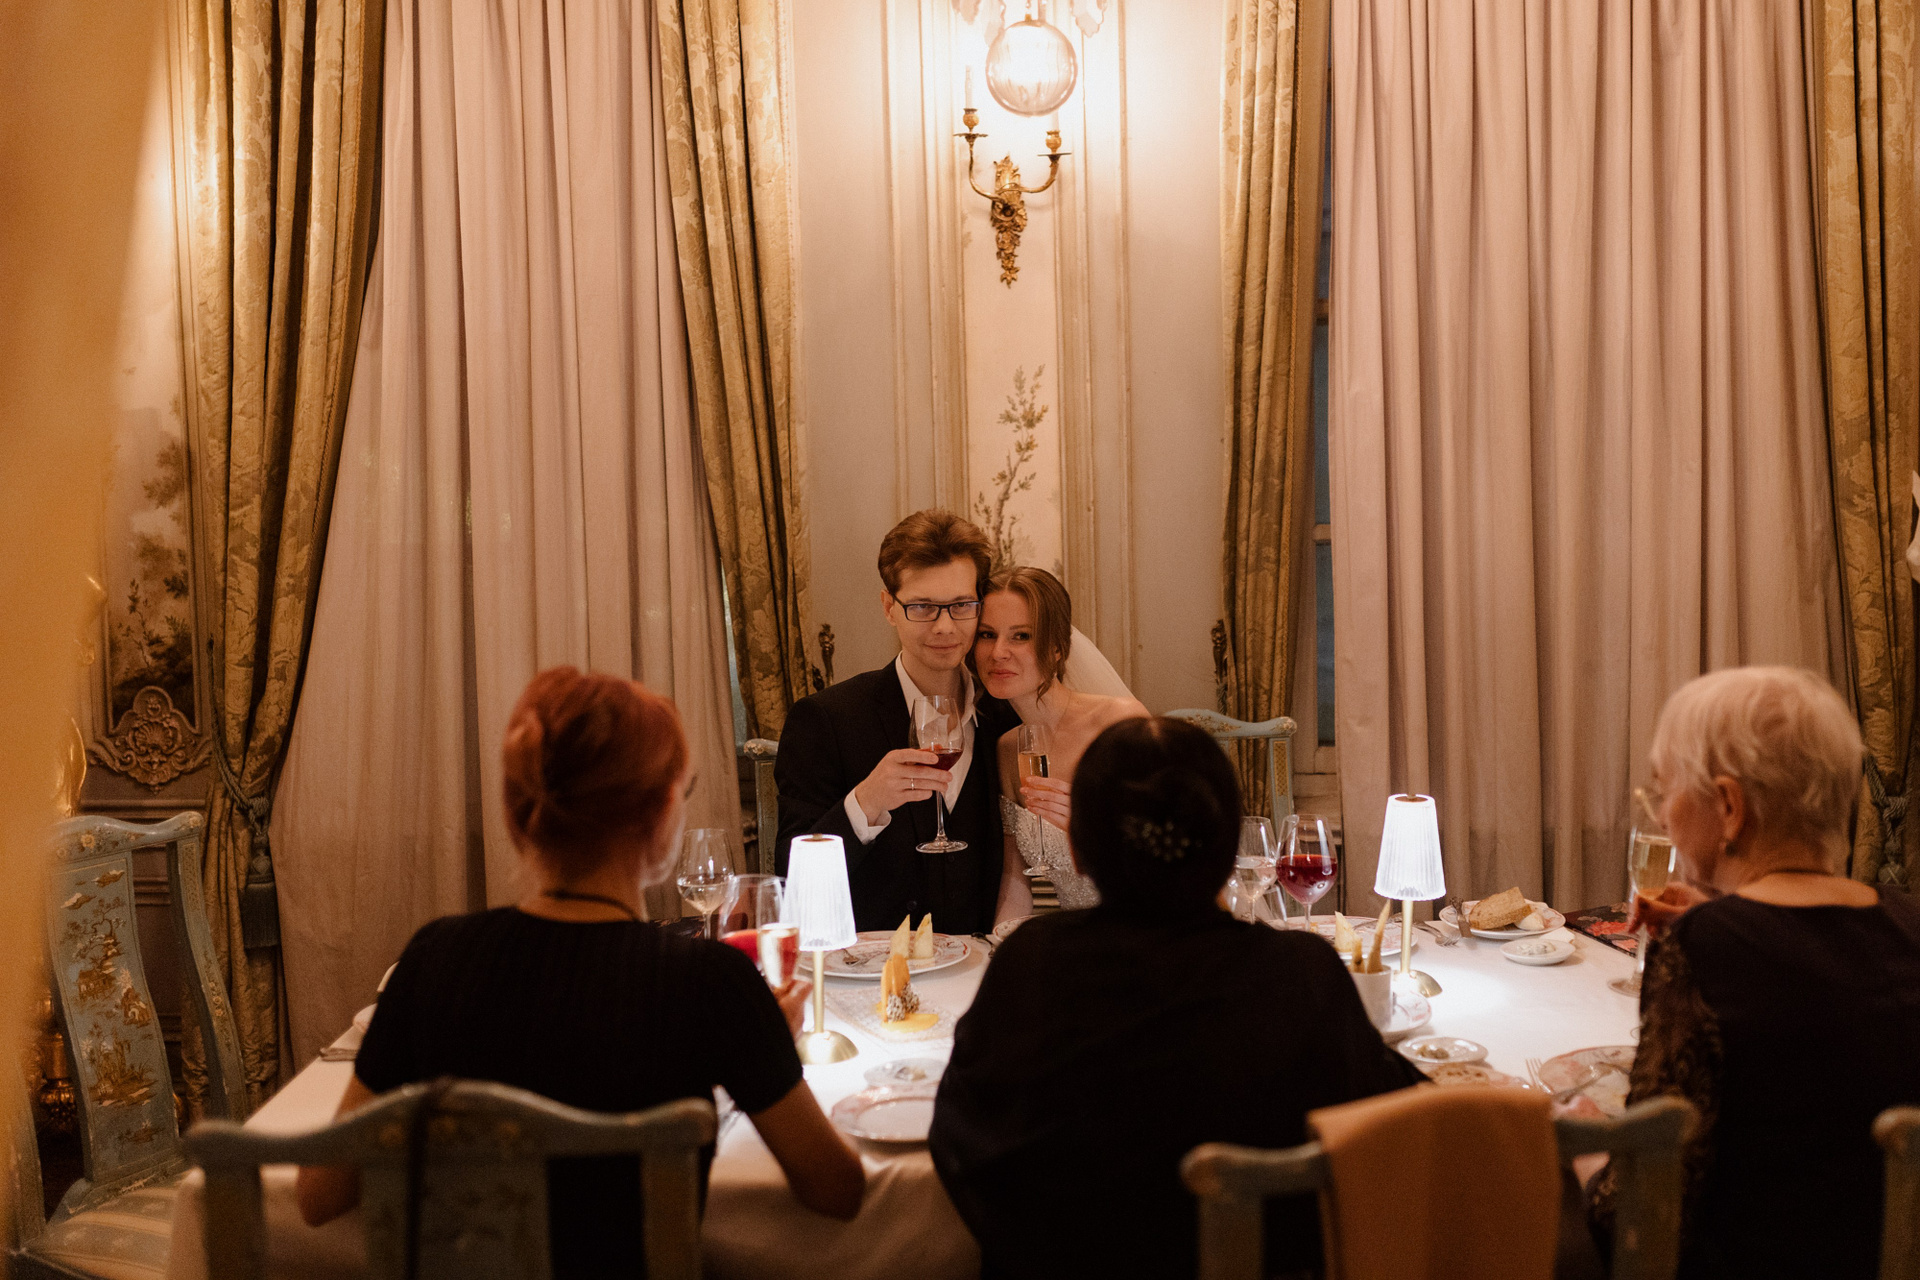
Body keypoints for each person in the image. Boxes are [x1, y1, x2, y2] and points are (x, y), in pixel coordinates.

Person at [295, 668, 865, 1274]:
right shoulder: (710, 985)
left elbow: (319, 1196)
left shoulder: (433, 959)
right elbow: (838, 1191)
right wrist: (758, 1046)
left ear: (517, 813)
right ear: (662, 813)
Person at [930, 716, 1422, 1279]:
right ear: (1229, 849)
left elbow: (963, 1145)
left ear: (1079, 850)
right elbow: (1386, 1132)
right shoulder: (1300, 972)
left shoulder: (1032, 964)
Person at [1580, 666, 1920, 1280]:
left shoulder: (1706, 949)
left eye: (1666, 790)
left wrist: (1590, 1154)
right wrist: (1720, 913)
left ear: (1730, 807)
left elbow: (1641, 1209)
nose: (1664, 815)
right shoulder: (1907, 922)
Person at [774, 510, 1020, 933]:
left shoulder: (1007, 716)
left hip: (983, 961)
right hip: (873, 963)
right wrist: (866, 801)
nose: (945, 626)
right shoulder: (826, 719)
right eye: (923, 607)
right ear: (890, 607)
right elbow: (789, 875)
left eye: (961, 605)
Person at [972, 566, 1147, 917]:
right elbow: (1015, 881)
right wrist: (1001, 942)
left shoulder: (1118, 723)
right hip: (1078, 937)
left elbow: (1173, 867)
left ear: (1056, 648)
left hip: (1148, 929)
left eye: (1021, 636)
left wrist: (1088, 834)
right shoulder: (1008, 749)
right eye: (987, 635)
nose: (998, 652)